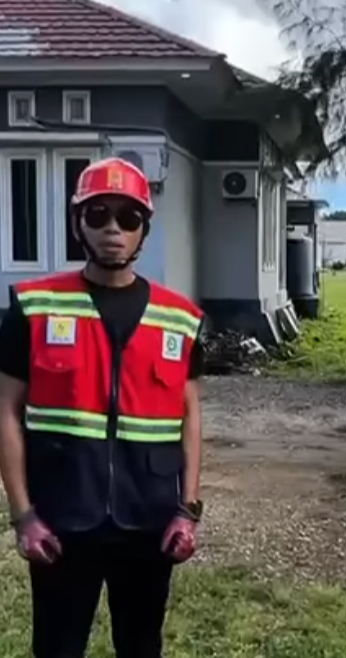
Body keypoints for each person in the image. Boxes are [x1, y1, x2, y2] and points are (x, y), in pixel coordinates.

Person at [0, 156, 205, 658]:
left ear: (144, 230)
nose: (113, 228)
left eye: (128, 217)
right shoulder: (34, 306)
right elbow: (5, 411)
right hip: (62, 519)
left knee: (141, 646)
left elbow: (190, 417)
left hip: (149, 521)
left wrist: (188, 510)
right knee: (57, 648)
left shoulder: (180, 318)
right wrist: (24, 515)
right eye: (98, 214)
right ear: (78, 225)